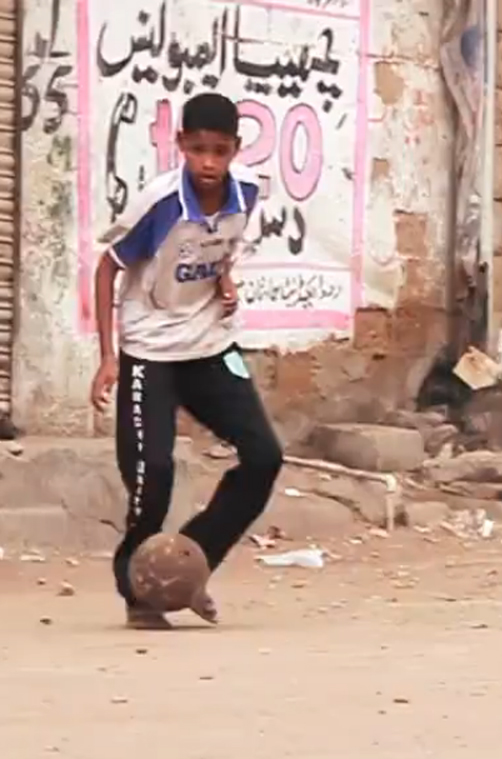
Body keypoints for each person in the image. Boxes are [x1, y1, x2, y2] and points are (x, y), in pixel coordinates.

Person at [89, 92, 283, 629]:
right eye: (197, 150)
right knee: (153, 473)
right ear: (180, 146)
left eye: (219, 151)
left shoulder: (246, 192)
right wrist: (108, 357)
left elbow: (223, 246)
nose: (208, 163)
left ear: (235, 151)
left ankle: (184, 569)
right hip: (150, 351)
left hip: (211, 345)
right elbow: (106, 268)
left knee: (264, 456)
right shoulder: (159, 202)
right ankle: (138, 587)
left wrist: (224, 280)